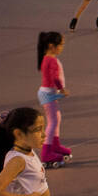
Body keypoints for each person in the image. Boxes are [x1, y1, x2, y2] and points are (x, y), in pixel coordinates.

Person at [36, 31, 72, 166]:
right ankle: (46, 153)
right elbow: (55, 77)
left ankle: (55, 145)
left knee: (56, 119)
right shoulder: (51, 60)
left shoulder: (46, 57)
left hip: (48, 93)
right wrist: (62, 90)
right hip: (48, 94)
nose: (62, 47)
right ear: (52, 45)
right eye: (61, 45)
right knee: (53, 122)